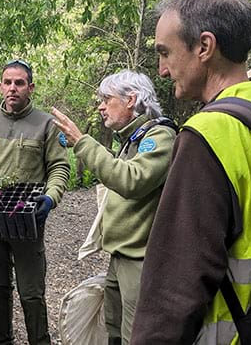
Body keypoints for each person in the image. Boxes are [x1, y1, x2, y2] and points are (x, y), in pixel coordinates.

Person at [130, 0, 251, 344]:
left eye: (165, 53)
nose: (163, 70)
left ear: (204, 47)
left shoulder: (207, 135)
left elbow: (174, 289)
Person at [51, 70, 176, 345]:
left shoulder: (160, 135)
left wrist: (82, 142)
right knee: (114, 332)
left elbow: (132, 180)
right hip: (120, 257)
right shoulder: (132, 137)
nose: (100, 106)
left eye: (107, 98)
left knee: (136, 336)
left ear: (131, 100)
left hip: (140, 261)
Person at [0, 59, 70, 345]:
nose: (12, 88)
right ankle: (1, 339)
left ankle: (40, 340)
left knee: (31, 292)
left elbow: (60, 167)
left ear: (31, 87)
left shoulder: (46, 124)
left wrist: (50, 198)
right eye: (7, 82)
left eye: (19, 83)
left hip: (27, 221)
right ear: (0, 86)